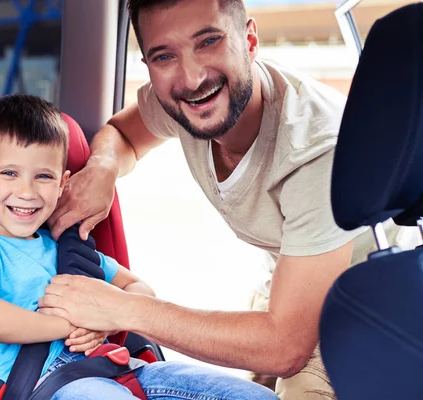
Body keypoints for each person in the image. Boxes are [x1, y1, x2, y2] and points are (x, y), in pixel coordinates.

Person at [39, 0, 421, 399]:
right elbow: (125, 134)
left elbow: (285, 346)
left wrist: (122, 309)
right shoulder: (180, 98)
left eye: (208, 41)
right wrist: (103, 166)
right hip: (286, 281)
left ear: (250, 39)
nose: (191, 77)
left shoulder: (315, 152)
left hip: (367, 303)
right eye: (164, 55)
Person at [0, 94, 278, 400]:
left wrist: (107, 319)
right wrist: (70, 325)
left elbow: (141, 290)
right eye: (9, 173)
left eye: (43, 177)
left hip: (117, 370)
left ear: (63, 183)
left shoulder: (67, 248)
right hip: (46, 385)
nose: (27, 191)